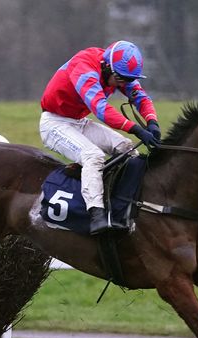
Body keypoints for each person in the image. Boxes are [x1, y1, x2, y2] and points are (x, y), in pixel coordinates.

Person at [39, 40, 161, 235]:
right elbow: (101, 109)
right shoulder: (85, 68)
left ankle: (122, 206)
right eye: (121, 79)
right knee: (93, 156)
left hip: (78, 122)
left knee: (127, 148)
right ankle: (96, 215)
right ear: (106, 67)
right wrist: (137, 129)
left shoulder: (117, 70)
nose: (124, 84)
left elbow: (141, 98)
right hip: (54, 123)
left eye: (128, 80)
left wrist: (152, 122)